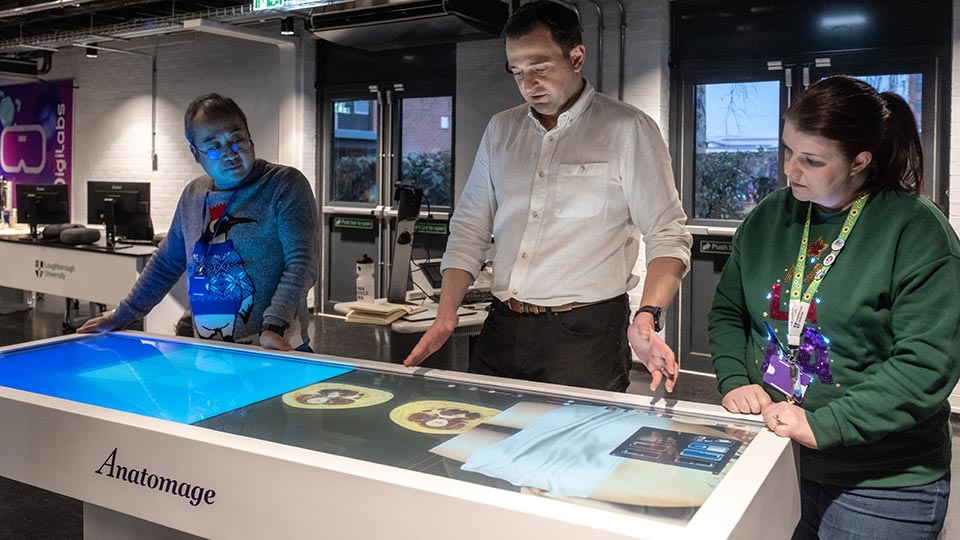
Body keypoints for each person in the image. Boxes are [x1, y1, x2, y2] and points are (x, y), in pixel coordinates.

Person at [708, 75, 960, 539]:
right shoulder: (769, 216)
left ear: (860, 161)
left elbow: (928, 364)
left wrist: (830, 423)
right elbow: (728, 312)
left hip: (883, 482)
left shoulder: (916, 231)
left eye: (811, 160)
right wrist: (735, 379)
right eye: (787, 151)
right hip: (775, 453)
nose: (790, 169)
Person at [403, 0, 691, 393]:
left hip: (586, 334)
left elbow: (668, 235)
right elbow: (470, 227)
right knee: (478, 441)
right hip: (503, 323)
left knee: (574, 451)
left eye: (539, 68)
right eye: (517, 71)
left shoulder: (628, 129)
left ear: (576, 57)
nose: (528, 84)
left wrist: (647, 315)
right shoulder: (501, 130)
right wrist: (446, 314)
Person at [79, 93, 319, 351]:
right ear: (196, 154)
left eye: (237, 140)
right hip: (210, 351)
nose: (230, 154)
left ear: (250, 137)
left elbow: (302, 264)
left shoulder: (284, 185)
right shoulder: (194, 194)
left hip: (275, 347)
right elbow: (166, 263)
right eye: (214, 147)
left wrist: (274, 325)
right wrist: (121, 317)